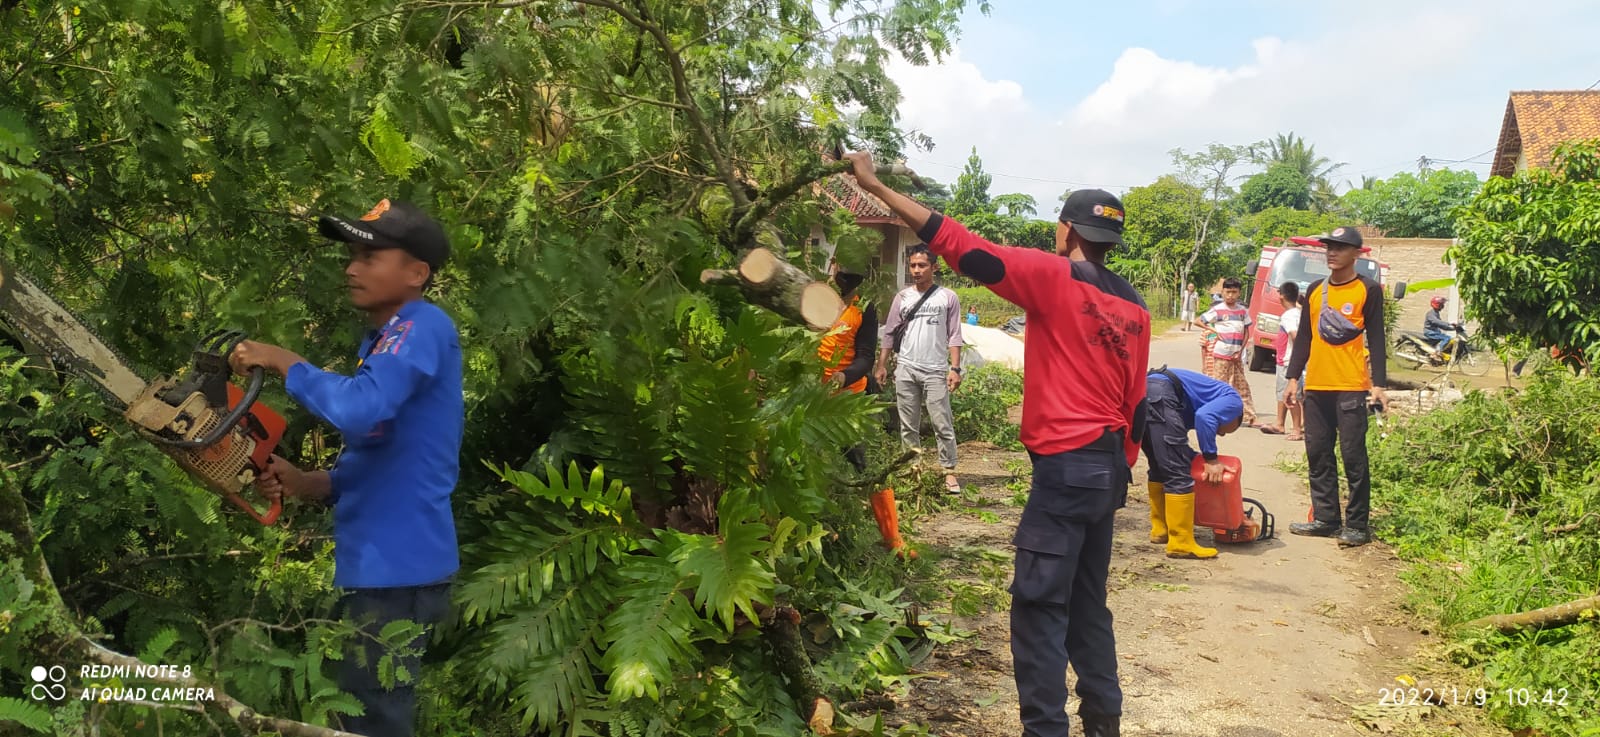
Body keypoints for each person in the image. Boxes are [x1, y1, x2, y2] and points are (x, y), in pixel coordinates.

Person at [847, 150, 1149, 737]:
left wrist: (875, 186)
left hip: (1065, 471)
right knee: (1089, 605)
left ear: (1066, 232)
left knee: (1038, 606)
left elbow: (960, 244)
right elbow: (1135, 406)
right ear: (1111, 238)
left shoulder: (1054, 277)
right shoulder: (1135, 306)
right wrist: (1115, 468)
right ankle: (1103, 727)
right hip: (1107, 470)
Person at [229, 199, 463, 737]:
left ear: (416, 272)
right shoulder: (383, 342)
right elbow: (382, 454)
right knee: (356, 710)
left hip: (400, 572)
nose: (352, 268)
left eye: (371, 255)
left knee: (372, 719)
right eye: (352, 255)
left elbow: (360, 408)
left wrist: (285, 360)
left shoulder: (421, 325)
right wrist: (308, 482)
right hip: (381, 572)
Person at [1283, 226, 1389, 549]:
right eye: (1329, 247)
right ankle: (1326, 519)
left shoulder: (1367, 290)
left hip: (1351, 387)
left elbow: (1377, 338)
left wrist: (1379, 385)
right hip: (1315, 386)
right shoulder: (1315, 290)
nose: (1332, 252)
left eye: (1340, 248)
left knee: (1353, 456)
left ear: (1356, 253)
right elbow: (1304, 338)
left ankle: (1357, 525)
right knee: (1317, 453)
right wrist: (1292, 378)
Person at [819, 260, 907, 556]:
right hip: (808, 396)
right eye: (842, 272)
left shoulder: (863, 308)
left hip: (848, 400)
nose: (846, 279)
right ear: (833, 268)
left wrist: (843, 377)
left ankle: (892, 538)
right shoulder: (813, 296)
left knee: (865, 463)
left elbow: (866, 356)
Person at [875, 245, 965, 494]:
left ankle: (949, 471)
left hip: (935, 369)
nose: (916, 270)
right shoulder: (903, 298)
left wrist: (955, 369)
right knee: (907, 424)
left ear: (934, 267)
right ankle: (913, 469)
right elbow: (890, 333)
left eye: (921, 265)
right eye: (912, 265)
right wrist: (881, 365)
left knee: (941, 422)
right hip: (906, 367)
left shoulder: (947, 297)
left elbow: (955, 335)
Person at [1141, 366, 1244, 559]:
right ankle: (1181, 543)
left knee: (1160, 465)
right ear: (1236, 418)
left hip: (1147, 389)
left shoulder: (1204, 399)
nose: (1220, 433)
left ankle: (1160, 529)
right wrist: (1211, 459)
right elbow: (1205, 417)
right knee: (1178, 473)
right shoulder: (1234, 402)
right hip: (1163, 392)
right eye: (1226, 431)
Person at [1192, 277, 1256, 426]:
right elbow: (1198, 320)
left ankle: (1249, 416)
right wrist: (1212, 329)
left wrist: (1241, 350)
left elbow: (1246, 331)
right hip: (1221, 354)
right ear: (1222, 292)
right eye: (1228, 292)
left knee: (1241, 385)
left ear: (1239, 293)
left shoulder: (1242, 311)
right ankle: (1214, 414)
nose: (1230, 296)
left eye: (1234, 292)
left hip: (1236, 355)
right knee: (1219, 384)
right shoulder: (1218, 310)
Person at [1261, 282, 1304, 440]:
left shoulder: (1289, 315)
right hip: (1284, 361)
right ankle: (1279, 423)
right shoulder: (1298, 313)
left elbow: (1295, 335)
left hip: (1288, 361)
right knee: (1282, 394)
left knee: (1291, 396)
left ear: (1282, 296)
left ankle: (1297, 429)